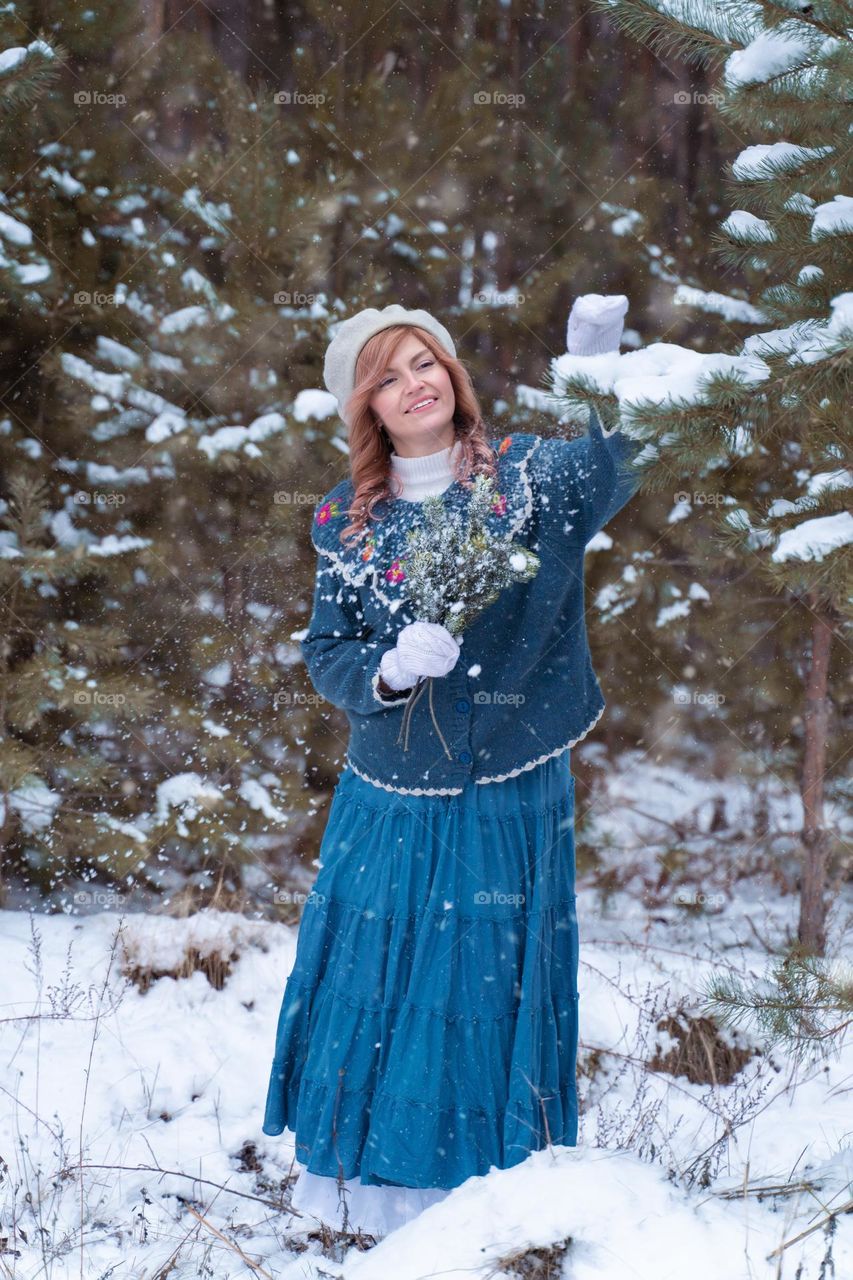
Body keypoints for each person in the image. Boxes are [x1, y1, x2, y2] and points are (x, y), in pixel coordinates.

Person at [261, 297, 639, 1238]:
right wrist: (384, 673)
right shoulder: (344, 522)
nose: (413, 384)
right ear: (367, 409)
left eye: (423, 362)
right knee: (378, 972)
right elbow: (326, 647)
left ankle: (489, 1196)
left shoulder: (522, 478)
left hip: (513, 774)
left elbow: (613, 465)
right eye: (386, 378)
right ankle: (368, 1191)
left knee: (486, 970)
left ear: (452, 374)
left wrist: (596, 371)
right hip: (389, 782)